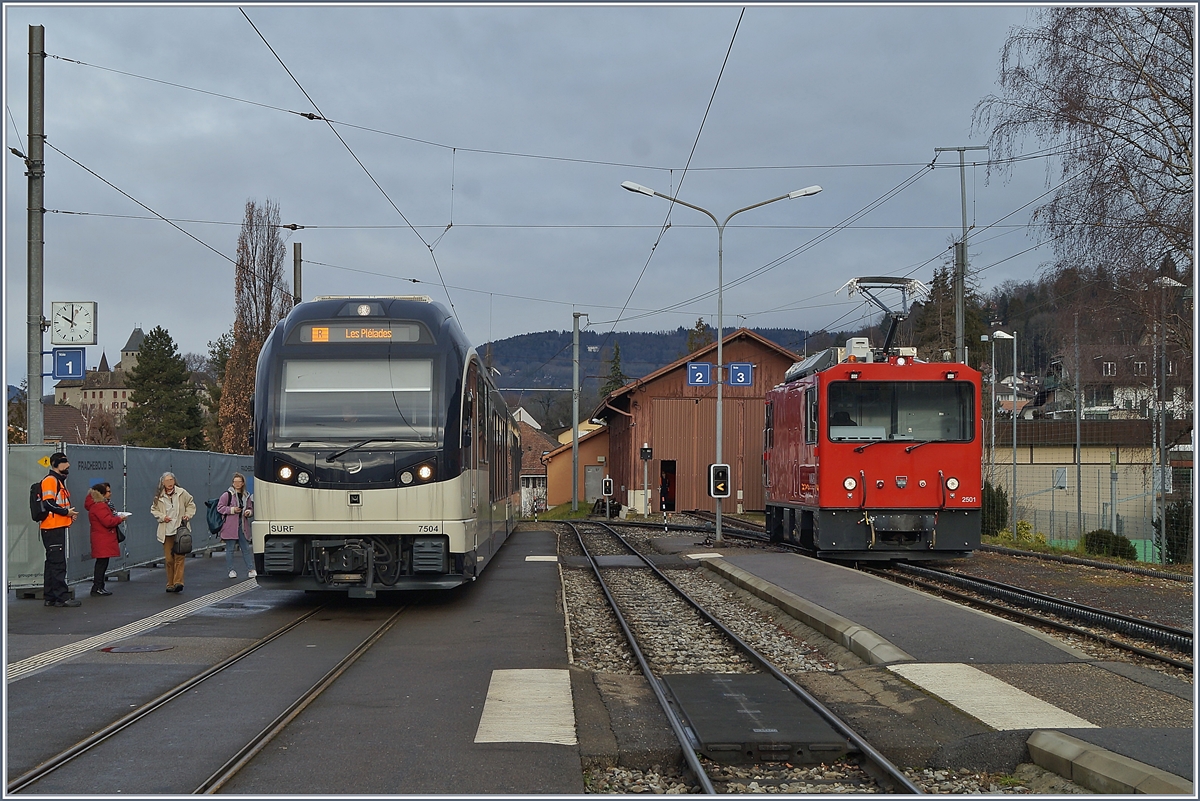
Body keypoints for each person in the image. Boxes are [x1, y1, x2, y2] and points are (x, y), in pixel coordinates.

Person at [40, 452, 81, 607]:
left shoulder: (57, 480)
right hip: (53, 528)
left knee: (51, 563)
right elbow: (48, 503)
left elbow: (55, 504)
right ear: (56, 463)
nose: (68, 464)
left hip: (53, 526)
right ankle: (61, 597)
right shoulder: (51, 480)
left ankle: (50, 596)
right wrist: (66, 513)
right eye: (64, 462)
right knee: (57, 563)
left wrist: (68, 514)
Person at [150, 472, 196, 593]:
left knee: (180, 557)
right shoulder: (158, 497)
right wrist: (162, 517)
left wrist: (188, 515)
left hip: (180, 530)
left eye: (171, 480)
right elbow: (154, 510)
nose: (170, 483)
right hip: (166, 531)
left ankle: (178, 582)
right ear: (162, 483)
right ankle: (170, 583)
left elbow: (191, 504)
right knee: (169, 559)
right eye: (167, 481)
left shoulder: (182, 493)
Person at [85, 482, 123, 596]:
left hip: (101, 538)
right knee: (101, 564)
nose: (110, 493)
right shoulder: (100, 506)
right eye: (108, 491)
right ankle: (97, 587)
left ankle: (99, 586)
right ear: (102, 494)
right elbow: (108, 522)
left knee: (102, 563)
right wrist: (120, 519)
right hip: (103, 538)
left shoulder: (96, 505)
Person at [217, 472, 256, 579]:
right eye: (235, 482)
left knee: (246, 548)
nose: (237, 484)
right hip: (230, 525)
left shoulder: (246, 495)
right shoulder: (227, 495)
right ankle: (231, 570)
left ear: (243, 483)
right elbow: (220, 508)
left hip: (242, 525)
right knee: (230, 549)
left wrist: (248, 512)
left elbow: (250, 508)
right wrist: (232, 510)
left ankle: (251, 569)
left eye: (239, 482)